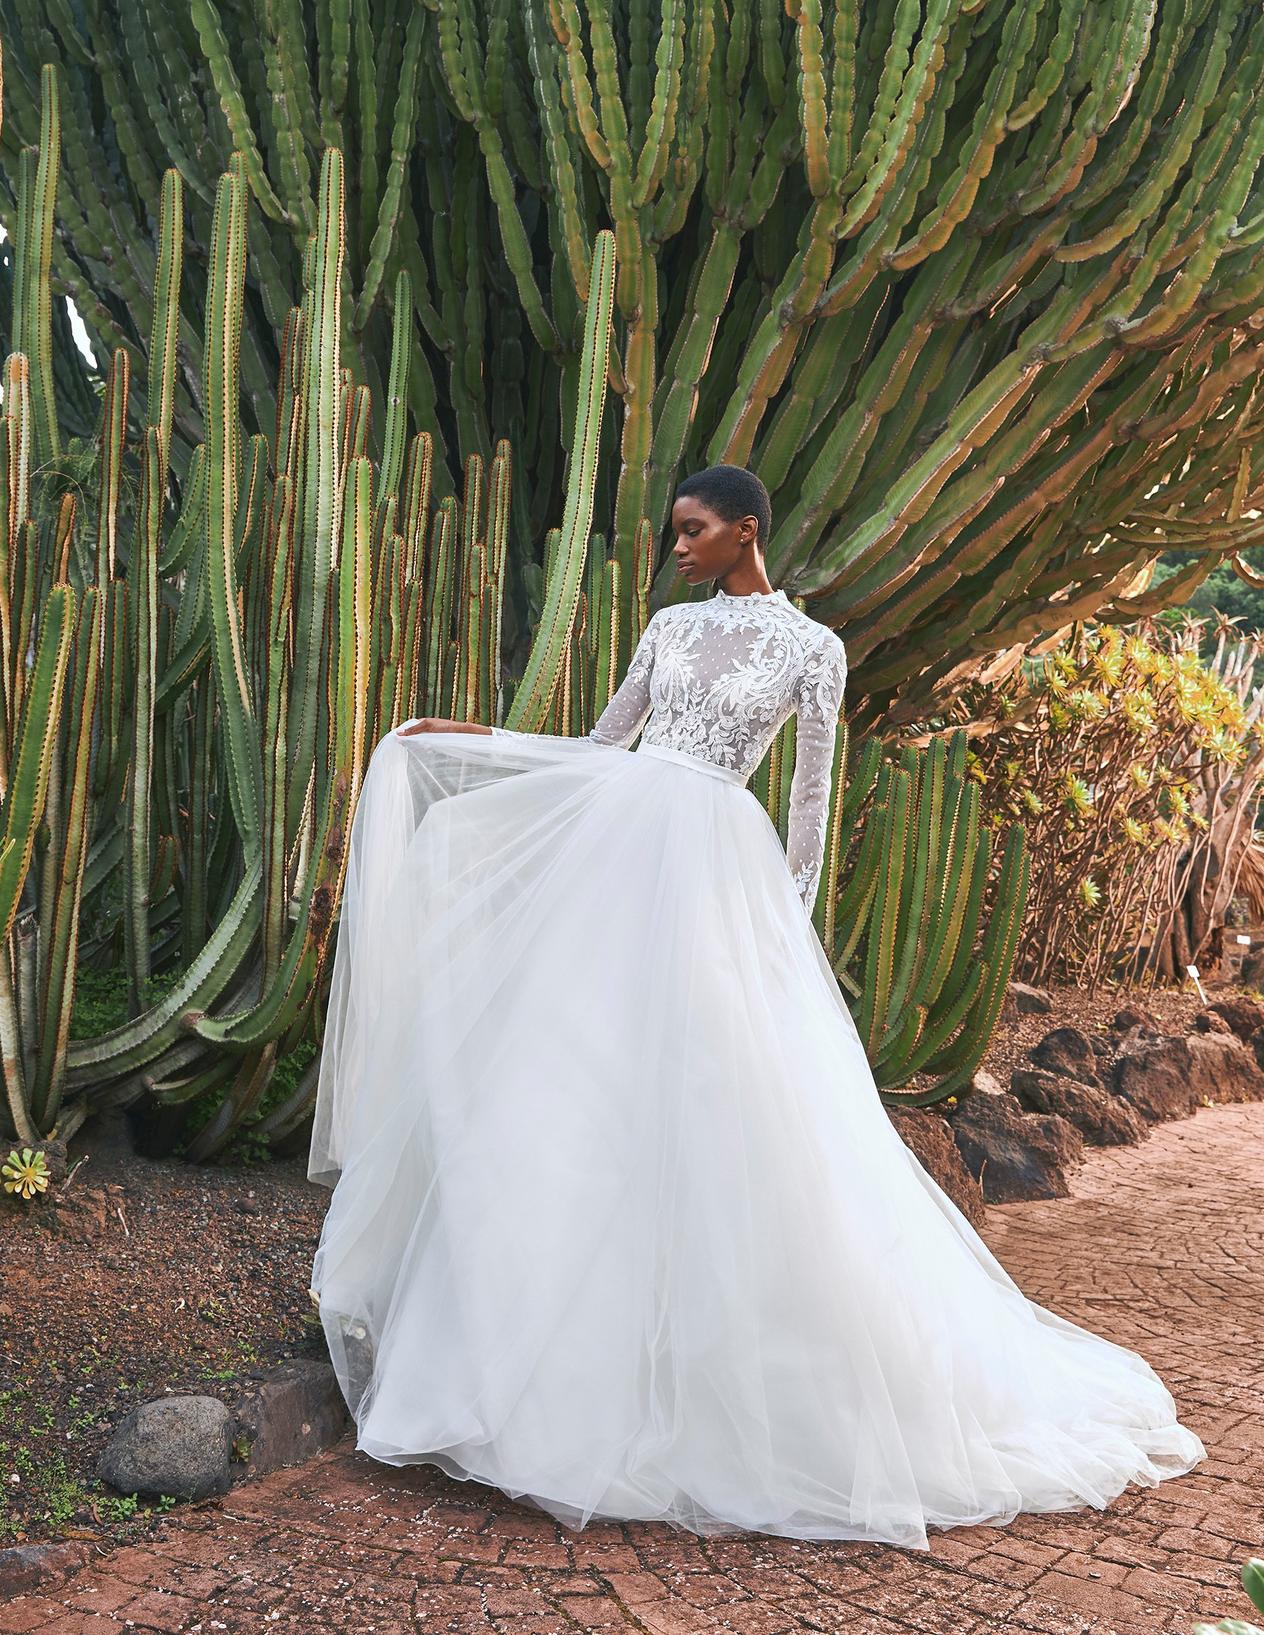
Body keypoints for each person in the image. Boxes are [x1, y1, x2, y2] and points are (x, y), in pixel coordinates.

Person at [307, 464, 1205, 1549]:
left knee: (717, 1101)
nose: (675, 546)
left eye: (692, 530)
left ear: (745, 529)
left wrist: (782, 910)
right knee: (577, 1088)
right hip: (622, 853)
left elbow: (813, 789)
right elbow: (602, 748)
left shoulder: (811, 649)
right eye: (672, 533)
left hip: (716, 870)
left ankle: (718, 1367)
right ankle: (522, 1358)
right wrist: (475, 739)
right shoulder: (667, 627)